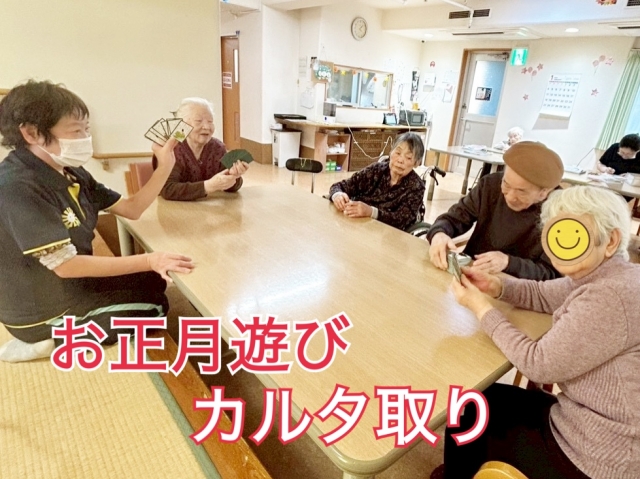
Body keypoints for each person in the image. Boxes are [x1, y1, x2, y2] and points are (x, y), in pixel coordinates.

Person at [439, 185, 640, 479]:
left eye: (572, 235)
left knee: (470, 406)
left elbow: (538, 364)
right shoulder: (609, 273)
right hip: (588, 423)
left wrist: (481, 308)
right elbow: (543, 294)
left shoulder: (609, 296)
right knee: (482, 400)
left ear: (610, 241)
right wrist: (498, 286)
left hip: (596, 457)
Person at [0, 80, 195, 361]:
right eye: (76, 131)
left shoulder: (70, 171)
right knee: (154, 308)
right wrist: (150, 259)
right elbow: (66, 266)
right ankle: (46, 340)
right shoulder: (16, 186)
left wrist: (165, 165)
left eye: (86, 129)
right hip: (39, 309)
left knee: (152, 281)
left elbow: (131, 209)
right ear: (32, 133)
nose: (85, 138)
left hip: (71, 285)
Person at [427, 141, 562, 280]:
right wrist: (439, 233)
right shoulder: (490, 185)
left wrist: (508, 263)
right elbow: (456, 217)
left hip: (517, 285)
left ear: (544, 192)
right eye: (506, 184)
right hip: (471, 273)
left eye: (521, 191)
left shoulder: (560, 212)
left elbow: (551, 274)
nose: (510, 196)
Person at [152, 97, 249, 201]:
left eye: (210, 121)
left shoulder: (218, 147)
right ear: (182, 125)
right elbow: (168, 190)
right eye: (198, 121)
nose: (207, 127)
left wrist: (234, 176)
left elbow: (232, 188)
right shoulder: (172, 149)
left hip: (208, 208)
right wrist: (208, 186)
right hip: (173, 209)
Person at [328, 132, 425, 231]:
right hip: (356, 225)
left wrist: (371, 212)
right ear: (391, 152)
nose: (400, 160)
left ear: (416, 163)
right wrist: (337, 195)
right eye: (398, 153)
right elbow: (341, 186)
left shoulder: (416, 187)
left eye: (408, 157)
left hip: (386, 234)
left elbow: (401, 220)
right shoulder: (376, 170)